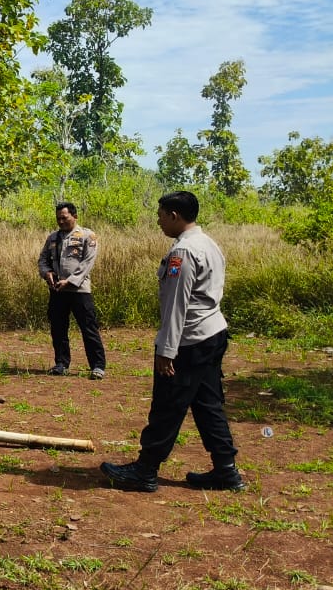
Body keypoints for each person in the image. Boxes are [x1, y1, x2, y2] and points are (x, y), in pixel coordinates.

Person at [101, 191, 245, 493]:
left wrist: (167, 350)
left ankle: (145, 470)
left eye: (160, 215)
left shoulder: (183, 252)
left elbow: (177, 304)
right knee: (208, 404)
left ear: (174, 216)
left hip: (189, 341)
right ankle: (226, 471)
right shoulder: (208, 243)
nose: (158, 221)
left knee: (168, 405)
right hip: (212, 333)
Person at [37, 201, 107, 379]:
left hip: (79, 291)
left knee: (89, 328)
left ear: (75, 216)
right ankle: (61, 364)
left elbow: (87, 263)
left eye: (64, 218)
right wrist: (47, 273)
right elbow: (43, 260)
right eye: (58, 218)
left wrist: (70, 281)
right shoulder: (52, 238)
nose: (61, 221)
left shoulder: (87, 236)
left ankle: (97, 366)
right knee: (58, 328)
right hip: (57, 291)